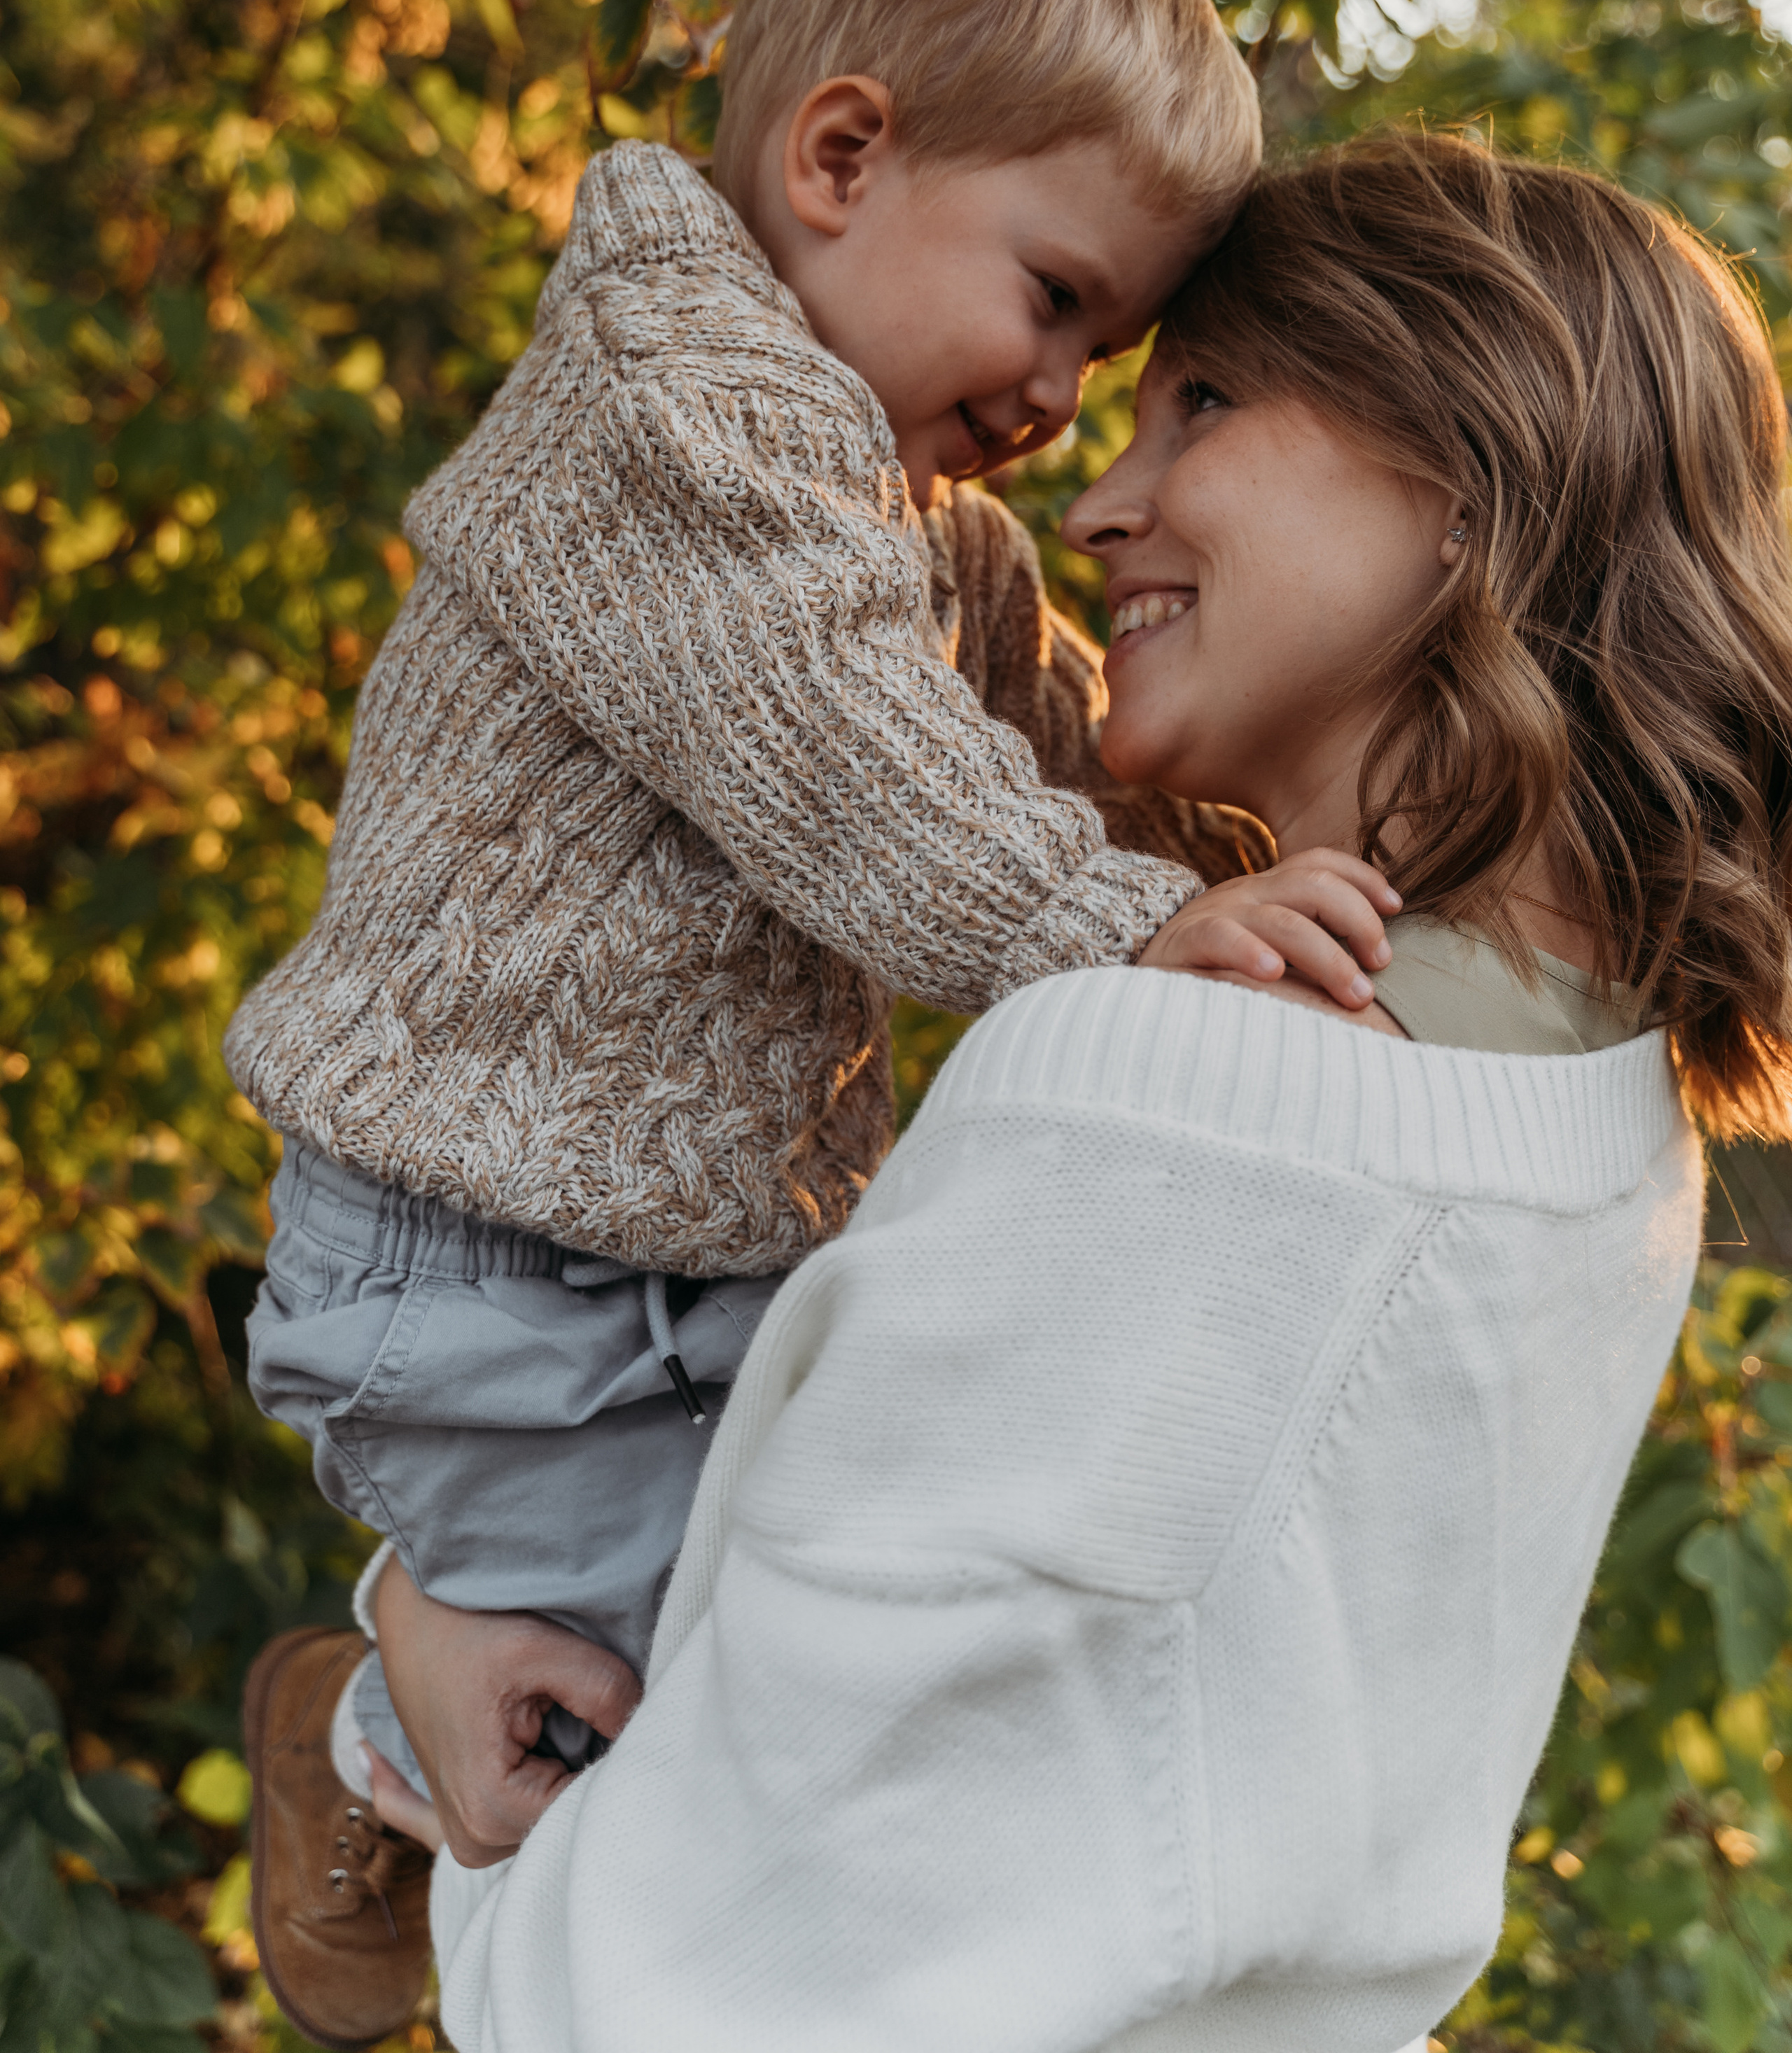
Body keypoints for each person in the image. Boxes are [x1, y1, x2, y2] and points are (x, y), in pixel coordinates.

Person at [378, 131, 1792, 2052]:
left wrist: (422, 1644)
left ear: (1474, 471)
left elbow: (642, 2000)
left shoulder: (1171, 1106)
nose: (1097, 505)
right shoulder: (1612, 1143)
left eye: (1201, 403)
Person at [231, 0, 1401, 2050]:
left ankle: (421, 1704)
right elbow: (855, 767)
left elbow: (1061, 753)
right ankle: (367, 1739)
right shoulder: (673, 408)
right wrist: (1140, 932)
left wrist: (1276, 863)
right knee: (711, 1709)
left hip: (668, 1259)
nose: (1064, 398)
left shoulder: (915, 521)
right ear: (842, 158)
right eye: (1056, 299)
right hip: (470, 1262)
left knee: (851, 1605)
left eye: (1116, 350)